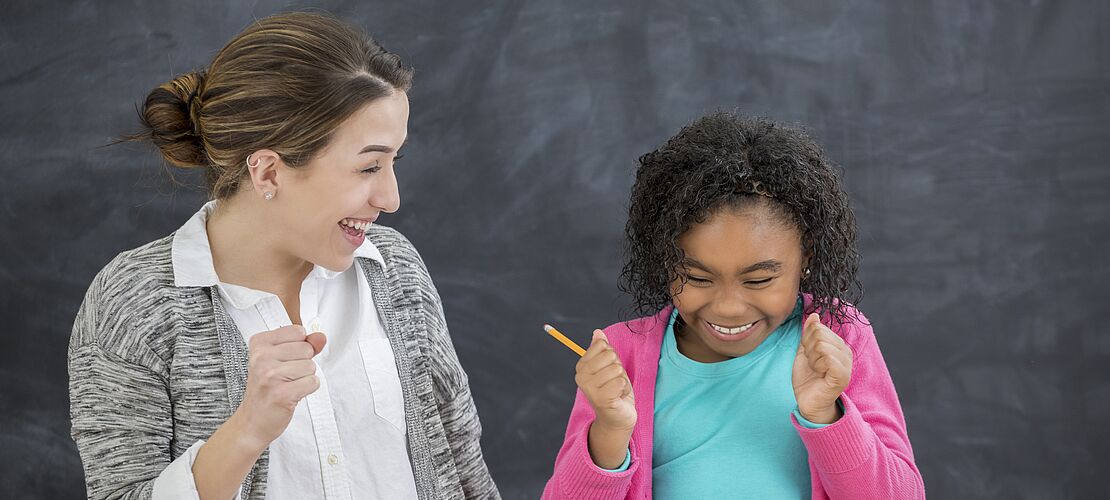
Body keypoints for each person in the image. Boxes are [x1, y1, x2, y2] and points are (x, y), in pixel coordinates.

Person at [68, 12, 499, 500]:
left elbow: (466, 472)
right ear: (269, 173)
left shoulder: (394, 269)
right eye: (369, 166)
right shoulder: (136, 301)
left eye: (392, 163)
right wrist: (248, 429)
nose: (390, 198)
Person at [543, 112, 925, 499]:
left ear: (807, 255)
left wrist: (827, 414)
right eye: (697, 277)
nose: (728, 307)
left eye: (759, 280)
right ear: (664, 259)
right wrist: (609, 431)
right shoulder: (619, 355)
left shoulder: (840, 337)